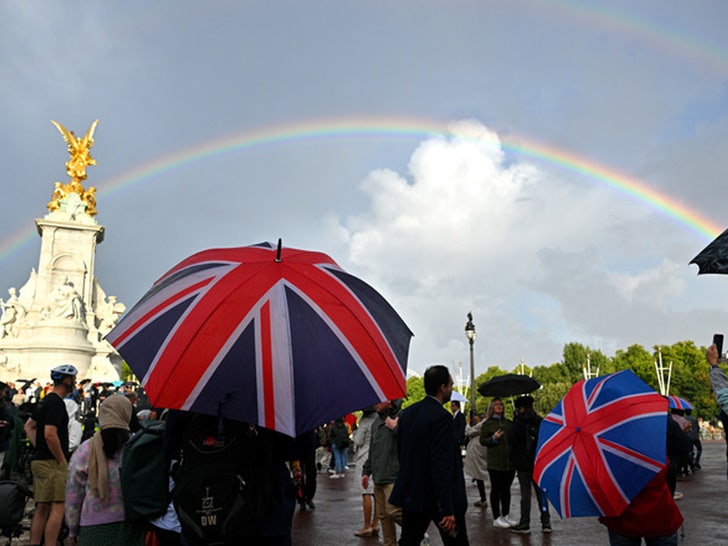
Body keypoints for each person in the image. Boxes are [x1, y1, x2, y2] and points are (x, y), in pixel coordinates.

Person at [390, 365, 469, 545]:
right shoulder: (442, 417)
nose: (451, 389)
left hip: (413, 492)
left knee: (409, 540)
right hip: (438, 497)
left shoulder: (408, 413)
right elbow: (442, 463)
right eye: (450, 385)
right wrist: (447, 507)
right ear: (442, 387)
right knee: (457, 542)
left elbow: (403, 452)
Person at [65, 395, 146, 545]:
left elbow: (74, 494)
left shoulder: (85, 451)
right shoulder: (138, 447)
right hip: (132, 525)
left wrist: (72, 529)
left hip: (93, 528)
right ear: (127, 414)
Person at [24, 364, 78, 546]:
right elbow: (49, 433)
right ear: (67, 380)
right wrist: (61, 459)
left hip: (40, 459)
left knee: (42, 507)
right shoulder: (57, 403)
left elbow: (29, 426)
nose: (75, 383)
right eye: (74, 379)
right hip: (52, 462)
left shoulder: (46, 400)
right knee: (58, 507)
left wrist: (39, 446)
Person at [507, 395, 551, 534]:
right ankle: (546, 523)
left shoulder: (519, 421)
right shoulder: (539, 420)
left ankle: (525, 523)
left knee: (525, 495)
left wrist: (515, 419)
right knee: (541, 494)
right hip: (538, 462)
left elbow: (512, 439)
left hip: (523, 463)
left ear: (520, 408)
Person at [362, 400, 403, 546]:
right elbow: (373, 450)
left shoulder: (401, 416)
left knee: (393, 511)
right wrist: (366, 471)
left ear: (390, 401)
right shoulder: (376, 423)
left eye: (380, 400)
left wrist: (397, 428)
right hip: (378, 476)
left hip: (393, 475)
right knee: (384, 516)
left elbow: (412, 441)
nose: (375, 403)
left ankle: (417, 530)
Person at [479, 397, 516, 528]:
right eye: (496, 405)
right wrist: (493, 438)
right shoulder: (488, 424)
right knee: (496, 489)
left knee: (506, 490)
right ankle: (496, 517)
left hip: (509, 463)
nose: (499, 406)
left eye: (501, 404)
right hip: (495, 462)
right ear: (491, 407)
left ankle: (506, 514)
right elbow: (482, 440)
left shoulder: (509, 423)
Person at [352, 407, 378, 536]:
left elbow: (358, 441)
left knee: (365, 491)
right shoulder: (379, 418)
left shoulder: (365, 421)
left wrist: (355, 431)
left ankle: (367, 526)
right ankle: (375, 524)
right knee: (376, 492)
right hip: (377, 456)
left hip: (364, 457)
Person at [463, 411, 488, 509]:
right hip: (481, 450)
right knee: (479, 475)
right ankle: (483, 498)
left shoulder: (483, 424)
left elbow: (468, 432)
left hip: (477, 450)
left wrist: (468, 423)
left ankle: (483, 499)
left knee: (479, 475)